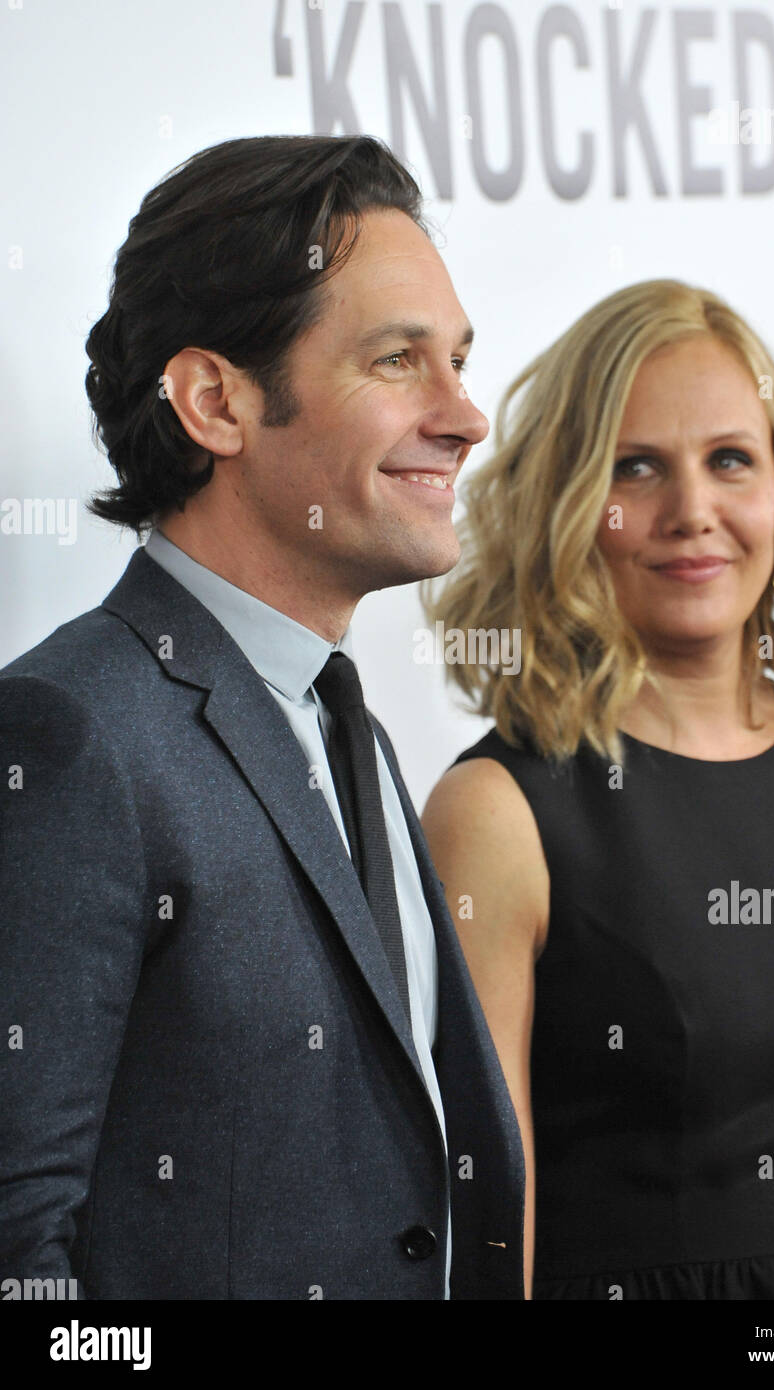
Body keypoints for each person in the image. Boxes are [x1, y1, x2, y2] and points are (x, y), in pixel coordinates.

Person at [0, 134, 525, 1300]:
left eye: (460, 359)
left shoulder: (352, 728)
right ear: (214, 401)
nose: (466, 415)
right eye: (398, 361)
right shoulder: (68, 733)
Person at [421, 279, 774, 1300]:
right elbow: (483, 1227)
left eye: (730, 461)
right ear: (565, 502)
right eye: (637, 468)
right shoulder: (497, 813)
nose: (693, 513)